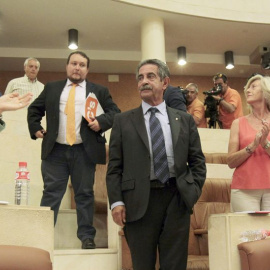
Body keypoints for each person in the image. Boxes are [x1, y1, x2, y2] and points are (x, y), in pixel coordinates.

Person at [106, 59, 206, 270]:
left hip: (176, 199)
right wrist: (116, 202)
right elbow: (114, 167)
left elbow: (197, 161)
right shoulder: (122, 121)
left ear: (165, 82)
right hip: (138, 202)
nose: (144, 81)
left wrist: (191, 192)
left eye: (150, 76)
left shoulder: (184, 120)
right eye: (140, 77)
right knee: (142, 265)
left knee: (175, 266)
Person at [27, 51, 120, 249]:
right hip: (55, 151)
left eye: (82, 65)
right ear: (67, 66)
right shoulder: (52, 88)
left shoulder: (99, 91)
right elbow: (34, 109)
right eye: (74, 63)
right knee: (51, 193)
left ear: (87, 69)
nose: (77, 67)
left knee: (85, 194)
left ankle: (86, 237)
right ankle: (41, 237)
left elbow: (115, 113)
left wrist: (101, 122)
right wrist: (35, 128)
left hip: (84, 152)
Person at [227, 74, 270, 212]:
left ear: (265, 92)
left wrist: (264, 144)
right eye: (247, 88)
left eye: (253, 87)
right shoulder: (238, 123)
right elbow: (231, 162)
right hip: (243, 190)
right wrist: (252, 145)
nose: (247, 90)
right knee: (246, 233)